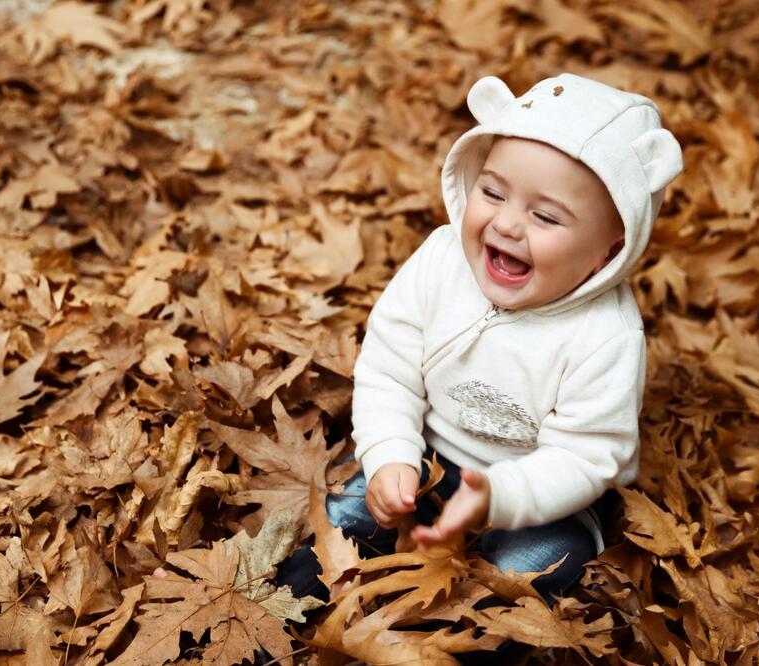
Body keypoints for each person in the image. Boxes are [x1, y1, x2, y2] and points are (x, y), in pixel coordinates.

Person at [278, 73, 683, 605]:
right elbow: (389, 369)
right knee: (349, 518)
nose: (508, 224)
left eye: (545, 216)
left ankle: (456, 636)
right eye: (492, 192)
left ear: (607, 253)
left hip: (536, 500)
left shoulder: (604, 335)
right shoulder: (442, 261)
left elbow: (589, 456)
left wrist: (500, 498)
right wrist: (390, 455)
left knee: (535, 569)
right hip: (426, 459)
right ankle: (278, 612)